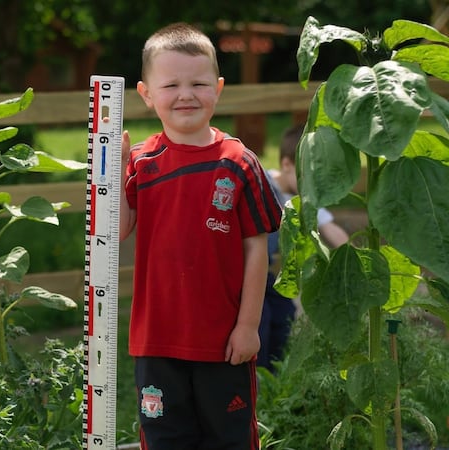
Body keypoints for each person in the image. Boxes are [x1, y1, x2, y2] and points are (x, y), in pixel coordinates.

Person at [119, 22, 283, 450]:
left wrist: (248, 327)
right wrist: (112, 175)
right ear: (146, 93)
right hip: (156, 342)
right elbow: (115, 233)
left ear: (219, 87)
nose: (185, 94)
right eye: (171, 84)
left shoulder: (239, 162)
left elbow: (256, 251)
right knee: (165, 439)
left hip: (223, 343)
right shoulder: (140, 163)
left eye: (199, 83)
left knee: (228, 440)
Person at [257, 123, 350, 372]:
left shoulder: (303, 199)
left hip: (262, 274)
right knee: (260, 321)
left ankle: (273, 378)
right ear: (287, 165)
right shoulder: (261, 182)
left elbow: (331, 229)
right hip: (241, 272)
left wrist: (352, 258)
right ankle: (255, 378)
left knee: (285, 313)